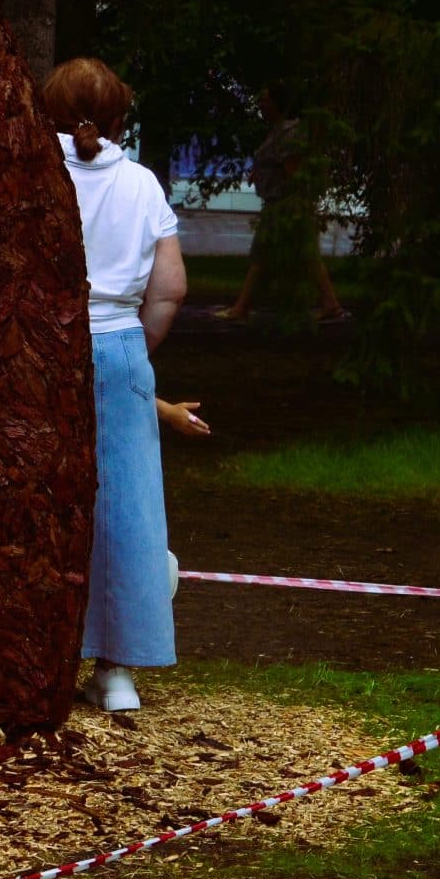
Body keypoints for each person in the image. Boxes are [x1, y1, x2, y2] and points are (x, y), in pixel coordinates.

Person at [43, 58, 186, 714]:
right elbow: (171, 289)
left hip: (43, 349)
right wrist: (135, 347)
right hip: (120, 342)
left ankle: (43, 653)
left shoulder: (35, 176)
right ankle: (118, 672)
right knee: (128, 508)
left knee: (45, 503)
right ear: (121, 116)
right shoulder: (143, 184)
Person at [217, 87, 345, 324]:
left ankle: (242, 308)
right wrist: (261, 173)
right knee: (303, 255)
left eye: (266, 100)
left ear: (278, 103)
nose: (262, 105)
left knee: (262, 255)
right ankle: (331, 304)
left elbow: (292, 168)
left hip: (285, 206)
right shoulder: (277, 132)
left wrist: (296, 202)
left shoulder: (287, 132)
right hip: (281, 203)